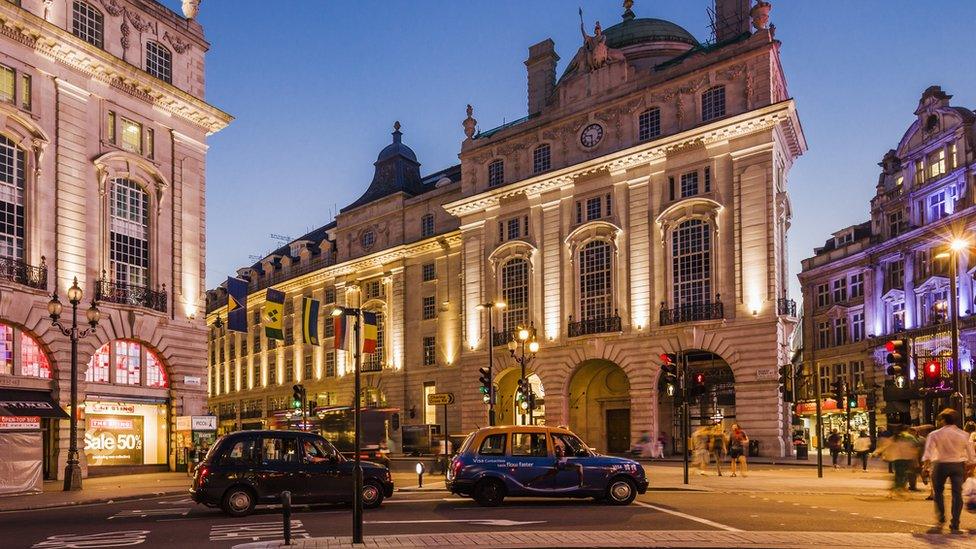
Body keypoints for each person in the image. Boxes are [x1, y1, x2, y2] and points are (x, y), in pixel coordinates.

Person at [922, 408, 976, 534]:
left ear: (943, 420)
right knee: (957, 495)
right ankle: (955, 524)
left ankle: (941, 520)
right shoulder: (963, 435)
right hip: (957, 465)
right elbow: (971, 456)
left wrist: (925, 467)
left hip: (940, 465)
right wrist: (970, 467)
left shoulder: (935, 434)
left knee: (938, 493)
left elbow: (928, 453)